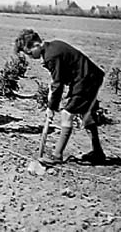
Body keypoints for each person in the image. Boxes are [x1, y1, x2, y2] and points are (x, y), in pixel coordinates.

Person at [14, 29, 106, 165]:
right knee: (86, 115)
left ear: (35, 45)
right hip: (87, 78)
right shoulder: (53, 47)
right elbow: (57, 81)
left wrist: (52, 107)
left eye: (29, 53)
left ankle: (57, 155)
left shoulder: (51, 56)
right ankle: (98, 152)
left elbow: (58, 84)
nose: (30, 57)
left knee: (66, 114)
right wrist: (51, 97)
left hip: (87, 80)